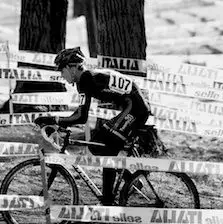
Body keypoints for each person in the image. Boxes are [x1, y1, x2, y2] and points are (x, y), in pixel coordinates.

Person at [34, 47, 150, 205]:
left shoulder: (86, 78)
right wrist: (59, 122)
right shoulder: (85, 78)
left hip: (135, 108)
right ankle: (131, 181)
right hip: (132, 105)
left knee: (104, 147)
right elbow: (80, 113)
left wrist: (54, 119)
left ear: (72, 67)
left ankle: (109, 201)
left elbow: (81, 117)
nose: (61, 75)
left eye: (62, 70)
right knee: (98, 145)